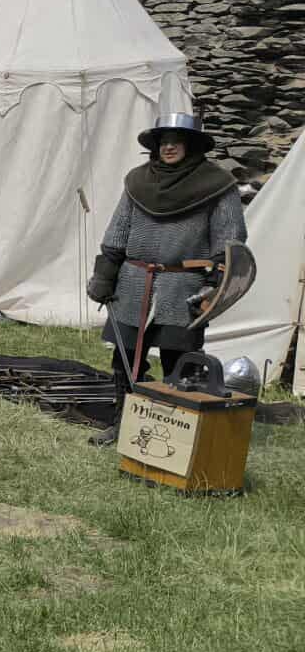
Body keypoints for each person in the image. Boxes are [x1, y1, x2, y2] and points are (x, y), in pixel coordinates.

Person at [85, 112, 250, 445]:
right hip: (134, 282)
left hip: (182, 285)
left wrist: (212, 286)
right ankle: (122, 423)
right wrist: (105, 274)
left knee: (180, 362)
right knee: (125, 358)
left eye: (177, 141)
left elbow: (229, 243)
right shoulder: (138, 181)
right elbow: (118, 231)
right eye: (163, 141)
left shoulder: (217, 185)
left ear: (192, 145)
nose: (169, 147)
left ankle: (178, 433)